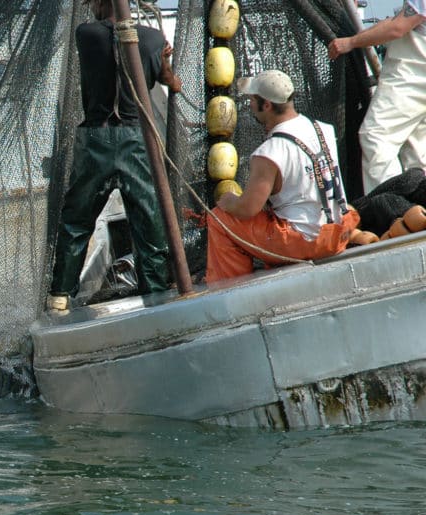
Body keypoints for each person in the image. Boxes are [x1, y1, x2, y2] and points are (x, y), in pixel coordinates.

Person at [46, 0, 181, 313]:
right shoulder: (153, 39)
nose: (89, 5)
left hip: (96, 138)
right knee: (148, 222)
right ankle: (157, 298)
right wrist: (164, 63)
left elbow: (112, 42)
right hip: (137, 141)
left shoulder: (86, 33)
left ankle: (59, 297)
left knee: (76, 222)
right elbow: (171, 82)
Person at [203, 70, 359, 282]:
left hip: (305, 242)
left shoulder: (270, 151)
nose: (249, 105)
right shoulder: (324, 129)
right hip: (338, 232)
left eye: (252, 100)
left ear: (266, 105)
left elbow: (248, 209)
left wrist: (229, 201)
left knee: (219, 219)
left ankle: (229, 289)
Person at [328, 1, 426, 192]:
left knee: (375, 136)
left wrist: (350, 42)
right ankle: (418, 210)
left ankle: (391, 208)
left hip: (414, 76)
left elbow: (398, 27)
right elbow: (397, 21)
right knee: (417, 150)